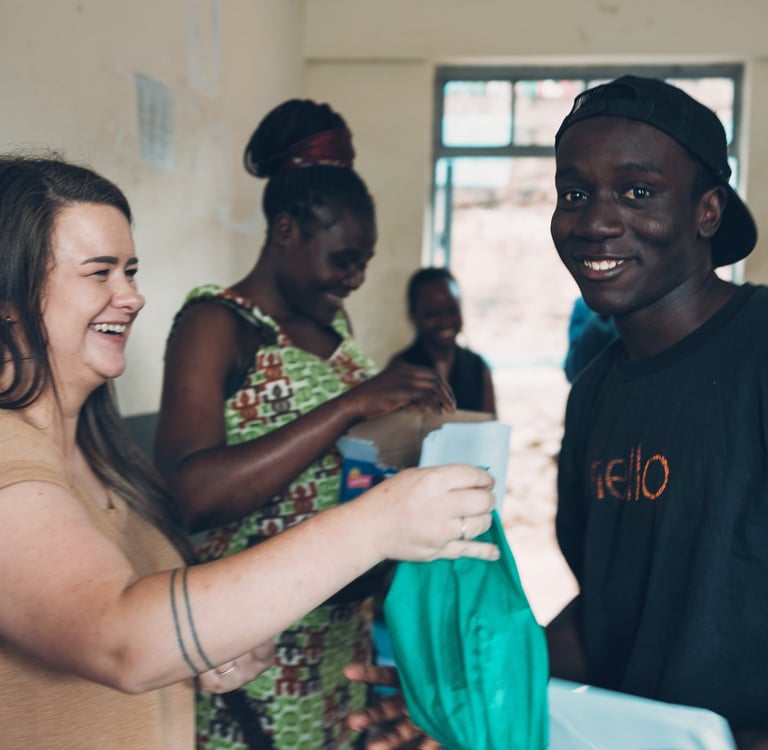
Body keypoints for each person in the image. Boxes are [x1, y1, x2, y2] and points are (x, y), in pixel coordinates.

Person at [0, 153, 500, 750]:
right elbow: (120, 637)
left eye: (130, 271)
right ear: (10, 295)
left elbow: (121, 632)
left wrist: (198, 649)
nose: (132, 296)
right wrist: (379, 523)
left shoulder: (102, 458)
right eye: (99, 273)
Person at [343, 75, 768, 750]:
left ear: (707, 212)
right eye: (573, 194)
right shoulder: (596, 393)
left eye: (638, 192)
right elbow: (605, 618)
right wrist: (465, 700)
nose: (594, 222)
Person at [153, 100, 468, 750]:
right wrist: (350, 405)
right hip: (251, 651)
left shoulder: (335, 330)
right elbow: (189, 494)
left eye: (365, 262)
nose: (354, 279)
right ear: (286, 229)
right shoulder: (217, 324)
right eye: (343, 259)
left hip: (338, 641)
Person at [389, 267, 496, 414]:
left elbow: (489, 423)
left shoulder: (478, 367)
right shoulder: (401, 369)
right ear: (414, 315)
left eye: (452, 310)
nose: (445, 321)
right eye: (432, 314)